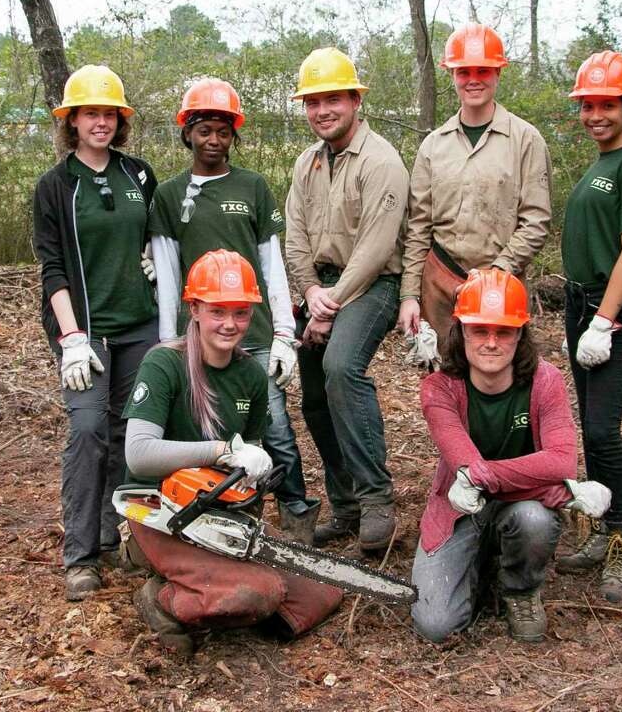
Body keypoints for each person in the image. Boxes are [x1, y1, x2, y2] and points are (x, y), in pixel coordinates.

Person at [122, 250, 343, 656]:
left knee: (322, 591)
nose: (230, 324)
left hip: (220, 515)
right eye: (218, 311)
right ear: (196, 309)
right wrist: (222, 451)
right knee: (260, 592)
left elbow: (251, 454)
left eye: (240, 313)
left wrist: (255, 469)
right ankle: (161, 599)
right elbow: (139, 454)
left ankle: (224, 597)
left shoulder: (250, 376)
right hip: (159, 514)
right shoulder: (164, 363)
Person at [148, 78, 319, 544]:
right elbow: (166, 270)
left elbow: (271, 263)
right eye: (204, 130)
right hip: (199, 332)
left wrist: (285, 331)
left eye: (223, 131)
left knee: (275, 426)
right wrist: (169, 337)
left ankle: (296, 511)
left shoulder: (253, 186)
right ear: (188, 133)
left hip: (254, 329)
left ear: (233, 135)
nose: (214, 140)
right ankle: (213, 509)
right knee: (203, 424)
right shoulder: (168, 196)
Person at [410, 268, 611, 643]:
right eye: (479, 330)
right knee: (436, 625)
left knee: (534, 520)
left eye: (503, 331)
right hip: (459, 510)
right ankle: (480, 564)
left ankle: (521, 588)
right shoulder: (439, 390)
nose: (491, 342)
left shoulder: (545, 381)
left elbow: (561, 461)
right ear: (462, 331)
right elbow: (468, 470)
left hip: (520, 508)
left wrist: (546, 482)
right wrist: (558, 491)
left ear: (520, 334)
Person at [32, 64, 159, 601]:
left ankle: (125, 536)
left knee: (133, 435)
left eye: (109, 113)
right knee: (87, 431)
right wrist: (72, 339)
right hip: (86, 330)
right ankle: (81, 554)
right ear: (73, 121)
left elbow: (155, 235)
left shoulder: (139, 175)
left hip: (140, 325)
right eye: (90, 114)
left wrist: (154, 258)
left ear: (119, 120)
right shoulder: (55, 186)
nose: (100, 122)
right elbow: (52, 266)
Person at [284, 47, 410, 553]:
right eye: (313, 102)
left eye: (332, 99)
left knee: (341, 367)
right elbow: (294, 235)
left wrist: (329, 305)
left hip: (373, 284)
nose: (322, 111)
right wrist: (311, 292)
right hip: (322, 289)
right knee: (313, 393)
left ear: (355, 100)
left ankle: (377, 498)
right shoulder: (307, 163)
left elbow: (377, 249)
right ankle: (347, 505)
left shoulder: (381, 161)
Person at [555, 52, 622, 607]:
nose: (596, 114)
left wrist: (603, 321)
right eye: (589, 105)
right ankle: (601, 528)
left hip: (613, 311)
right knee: (590, 427)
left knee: (602, 429)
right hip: (581, 306)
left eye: (607, 104)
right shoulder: (601, 162)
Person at [398, 23, 552, 361]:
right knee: (446, 382)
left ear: (498, 72)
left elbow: (536, 220)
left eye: (483, 70)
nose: (473, 79)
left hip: (503, 286)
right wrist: (409, 295)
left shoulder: (526, 140)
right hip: (440, 283)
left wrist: (496, 275)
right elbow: (418, 226)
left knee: (504, 381)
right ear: (452, 74)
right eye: (464, 71)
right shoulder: (433, 146)